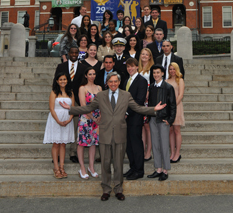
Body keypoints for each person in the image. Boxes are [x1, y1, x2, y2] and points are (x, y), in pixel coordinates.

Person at [59, 71, 166, 201]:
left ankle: (119, 189)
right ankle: (106, 189)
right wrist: (70, 108)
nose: (113, 84)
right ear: (107, 83)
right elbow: (88, 108)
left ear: (119, 82)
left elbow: (138, 108)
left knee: (118, 164)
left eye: (115, 81)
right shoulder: (101, 95)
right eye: (111, 81)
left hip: (120, 134)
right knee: (105, 163)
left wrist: (153, 109)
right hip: (105, 133)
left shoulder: (126, 95)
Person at [53, 46, 87, 163]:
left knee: (75, 126)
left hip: (77, 100)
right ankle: (57, 154)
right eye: (72, 52)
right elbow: (55, 83)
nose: (74, 54)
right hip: (62, 99)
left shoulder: (83, 67)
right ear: (68, 53)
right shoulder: (61, 66)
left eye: (76, 52)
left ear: (78, 54)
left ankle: (73, 153)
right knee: (59, 126)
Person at [147, 65, 176, 181]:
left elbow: (173, 105)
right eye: (154, 73)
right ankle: (158, 168)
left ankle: (165, 170)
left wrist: (170, 120)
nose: (156, 75)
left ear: (163, 73)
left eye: (158, 72)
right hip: (153, 119)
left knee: (164, 145)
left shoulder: (168, 87)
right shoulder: (152, 87)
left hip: (164, 120)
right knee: (155, 144)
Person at [43, 73, 75, 178]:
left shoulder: (71, 93)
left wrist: (69, 119)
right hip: (55, 119)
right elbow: (51, 108)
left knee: (63, 143)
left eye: (64, 79)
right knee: (56, 143)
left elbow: (73, 108)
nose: (63, 81)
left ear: (67, 80)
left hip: (67, 119)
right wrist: (58, 121)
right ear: (57, 81)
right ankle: (56, 168)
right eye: (60, 79)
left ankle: (62, 167)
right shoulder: (54, 92)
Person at [123, 58, 148, 180]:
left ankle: (139, 170)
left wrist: (127, 112)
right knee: (129, 145)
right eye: (128, 67)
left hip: (135, 117)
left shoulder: (141, 81)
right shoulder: (126, 80)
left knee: (136, 144)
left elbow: (139, 101)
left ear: (137, 67)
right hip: (125, 118)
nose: (130, 69)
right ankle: (132, 168)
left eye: (132, 66)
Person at [77, 67, 102, 179]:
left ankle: (91, 167)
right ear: (86, 75)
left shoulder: (99, 87)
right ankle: (82, 167)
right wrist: (92, 116)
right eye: (90, 74)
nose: (92, 76)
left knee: (93, 143)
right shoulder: (82, 88)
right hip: (85, 119)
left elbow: (103, 104)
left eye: (94, 74)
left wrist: (100, 117)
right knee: (82, 143)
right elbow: (83, 105)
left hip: (97, 119)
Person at [138, 48, 155, 162]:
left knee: (148, 127)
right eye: (142, 54)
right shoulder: (138, 68)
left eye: (146, 54)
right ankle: (142, 150)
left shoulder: (152, 69)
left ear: (150, 56)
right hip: (139, 100)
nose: (144, 56)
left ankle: (149, 151)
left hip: (148, 100)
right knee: (142, 127)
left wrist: (148, 93)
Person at [166, 62, 185, 163]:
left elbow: (180, 95)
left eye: (174, 69)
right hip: (168, 109)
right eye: (170, 69)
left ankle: (177, 153)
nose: (172, 71)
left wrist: (173, 107)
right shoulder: (166, 81)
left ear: (177, 70)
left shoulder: (180, 81)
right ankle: (172, 152)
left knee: (177, 130)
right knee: (170, 131)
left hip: (177, 107)